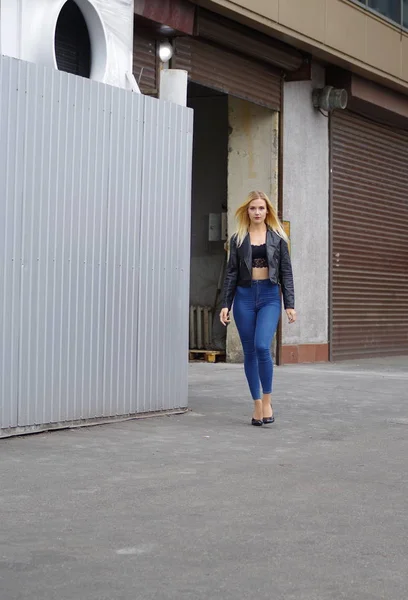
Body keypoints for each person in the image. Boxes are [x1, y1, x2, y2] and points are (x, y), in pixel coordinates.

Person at [220, 191, 296, 426]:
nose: (257, 212)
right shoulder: (238, 239)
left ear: (267, 211)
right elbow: (231, 273)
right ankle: (256, 404)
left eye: (261, 208)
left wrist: (290, 305)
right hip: (244, 297)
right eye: (253, 208)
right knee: (249, 351)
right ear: (247, 211)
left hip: (269, 296)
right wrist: (226, 304)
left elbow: (286, 272)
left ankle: (267, 401)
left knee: (262, 346)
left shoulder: (278, 238)